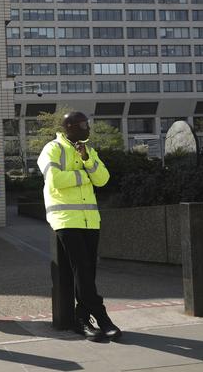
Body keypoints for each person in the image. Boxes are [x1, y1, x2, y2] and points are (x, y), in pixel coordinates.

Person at [37, 112, 122, 341]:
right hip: (65, 219)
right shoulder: (52, 149)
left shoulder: (88, 150)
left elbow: (103, 178)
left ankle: (82, 319)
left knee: (88, 272)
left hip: (90, 220)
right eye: (84, 124)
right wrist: (85, 176)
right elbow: (55, 181)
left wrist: (87, 160)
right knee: (82, 270)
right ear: (70, 127)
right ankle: (102, 317)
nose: (88, 128)